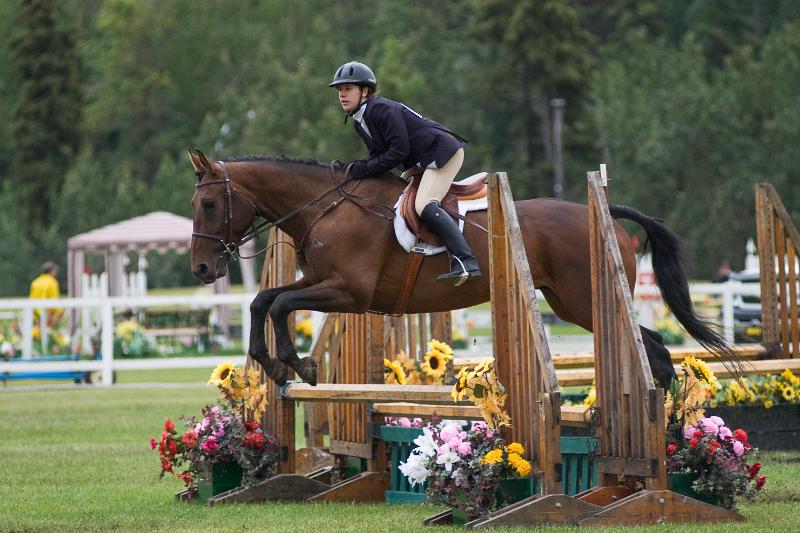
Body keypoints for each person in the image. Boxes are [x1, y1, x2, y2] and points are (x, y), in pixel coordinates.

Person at [329, 60, 481, 286]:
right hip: (420, 159)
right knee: (394, 198)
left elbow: (398, 151)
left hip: (441, 154)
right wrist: (357, 169)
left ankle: (465, 260)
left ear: (365, 91)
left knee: (424, 205)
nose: (342, 95)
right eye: (340, 90)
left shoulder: (380, 109)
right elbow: (377, 157)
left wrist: (365, 168)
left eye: (348, 89)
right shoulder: (360, 121)